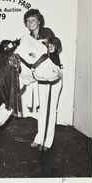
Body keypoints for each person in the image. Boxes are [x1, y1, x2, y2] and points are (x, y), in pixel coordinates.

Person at [23, 9, 63, 151]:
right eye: (28, 20)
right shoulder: (28, 38)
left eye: (33, 19)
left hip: (53, 74)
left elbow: (56, 43)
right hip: (41, 76)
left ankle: (47, 142)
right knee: (42, 109)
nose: (30, 22)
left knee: (51, 109)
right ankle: (40, 138)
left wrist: (52, 47)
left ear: (39, 21)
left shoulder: (47, 32)